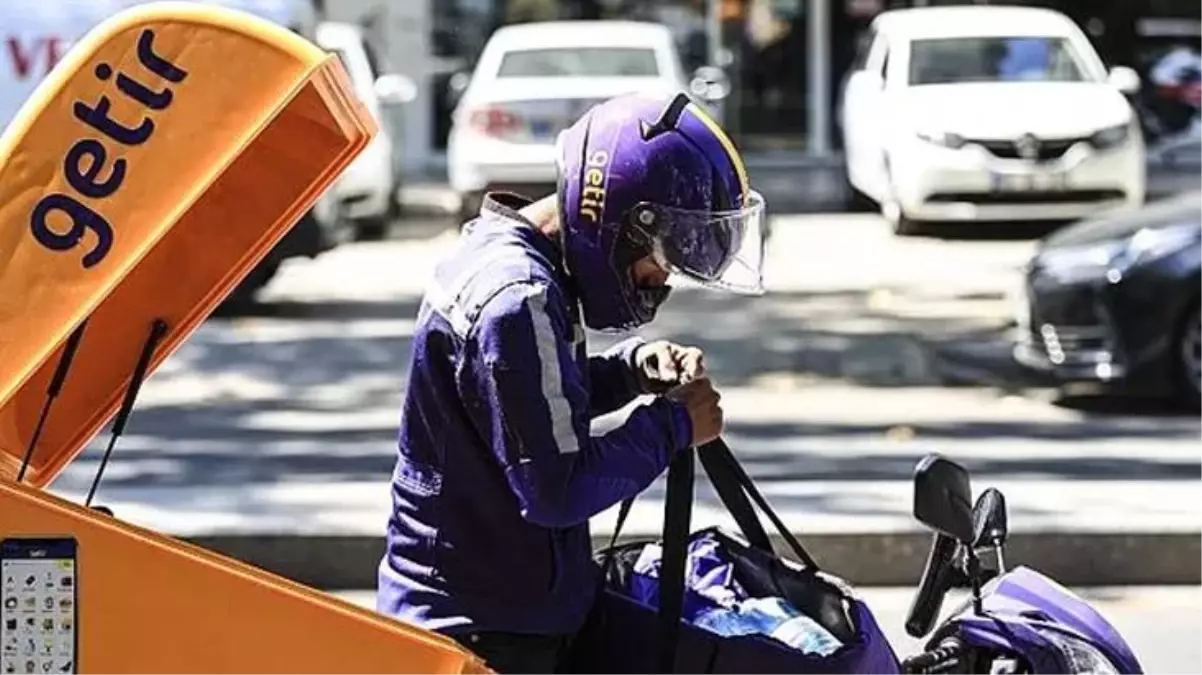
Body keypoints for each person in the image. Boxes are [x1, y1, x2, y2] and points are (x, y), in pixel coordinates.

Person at [375, 91, 767, 675]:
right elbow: (554, 488)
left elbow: (523, 400)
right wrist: (675, 425)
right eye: (661, 262)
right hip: (482, 632)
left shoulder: (513, 258)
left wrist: (631, 370)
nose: (659, 283)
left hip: (497, 609)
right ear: (618, 222)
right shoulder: (518, 300)